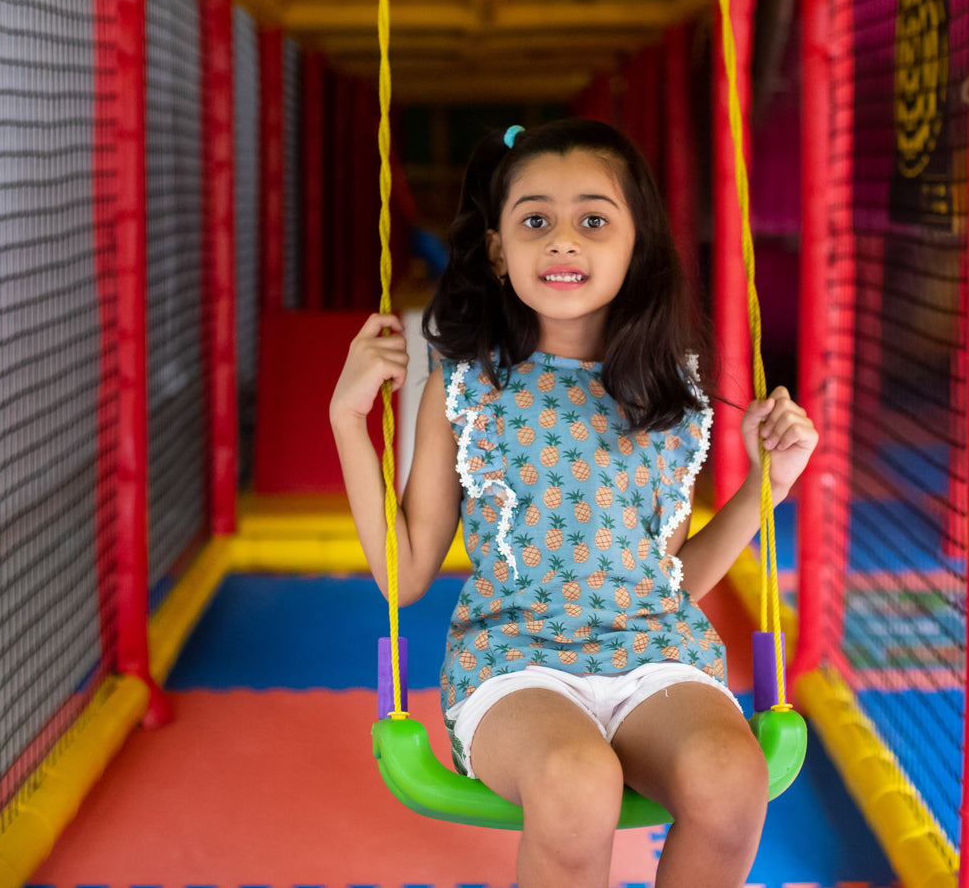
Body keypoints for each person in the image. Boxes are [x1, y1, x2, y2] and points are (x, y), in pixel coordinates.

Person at [330, 118, 817, 888]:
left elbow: (664, 579)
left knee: (732, 776)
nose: (563, 241)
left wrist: (768, 485)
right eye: (535, 221)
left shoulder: (670, 392)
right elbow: (405, 572)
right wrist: (347, 421)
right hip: (515, 666)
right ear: (497, 249)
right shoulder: (465, 388)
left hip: (654, 657)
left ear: (635, 245)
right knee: (574, 782)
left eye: (593, 219)